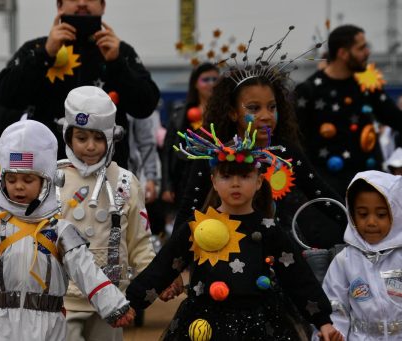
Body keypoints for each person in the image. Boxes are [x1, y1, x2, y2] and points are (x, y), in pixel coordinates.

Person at [126, 126, 343, 340]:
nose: (236, 184)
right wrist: (131, 303)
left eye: (245, 176)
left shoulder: (268, 229)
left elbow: (298, 277)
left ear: (259, 181)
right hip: (204, 326)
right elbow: (162, 267)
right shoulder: (196, 227)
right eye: (227, 176)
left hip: (259, 327)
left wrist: (323, 321)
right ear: (213, 181)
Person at [0, 119, 134, 340]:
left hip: (48, 328)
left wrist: (115, 305)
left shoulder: (61, 232)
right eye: (11, 179)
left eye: (28, 179)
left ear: (46, 182)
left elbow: (87, 273)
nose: (19, 186)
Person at [175, 51, 347, 250]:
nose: (266, 116)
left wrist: (359, 225)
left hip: (281, 254)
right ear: (232, 113)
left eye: (272, 107)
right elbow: (190, 208)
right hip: (226, 254)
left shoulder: (285, 151)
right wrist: (173, 267)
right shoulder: (217, 154)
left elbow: (322, 195)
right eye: (254, 108)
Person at [0, 0, 160, 168]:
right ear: (59, 6)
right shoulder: (37, 49)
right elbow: (5, 96)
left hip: (108, 174)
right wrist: (44, 55)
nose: (82, 3)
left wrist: (117, 64)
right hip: (47, 173)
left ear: (103, 6)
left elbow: (145, 106)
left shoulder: (119, 52)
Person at [57, 86, 155, 341]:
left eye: (99, 138)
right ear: (68, 137)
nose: (90, 147)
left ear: (112, 138)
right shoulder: (53, 181)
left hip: (111, 298)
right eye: (81, 138)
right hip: (63, 299)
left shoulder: (125, 181)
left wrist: (156, 278)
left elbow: (139, 241)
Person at [295, 24, 402, 196]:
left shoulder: (367, 84)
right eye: (361, 48)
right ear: (343, 53)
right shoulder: (308, 91)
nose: (367, 52)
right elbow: (296, 140)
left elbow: (396, 118)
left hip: (369, 185)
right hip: (327, 190)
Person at [322, 170, 402, 340]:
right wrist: (336, 334)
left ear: (396, 214)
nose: (371, 222)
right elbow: (336, 306)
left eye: (381, 214)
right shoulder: (344, 261)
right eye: (363, 214)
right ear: (352, 215)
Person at [161, 63, 219, 207]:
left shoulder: (227, 113)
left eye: (215, 79)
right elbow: (169, 150)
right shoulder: (180, 114)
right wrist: (167, 186)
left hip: (217, 175)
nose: (211, 83)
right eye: (206, 79)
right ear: (195, 84)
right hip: (186, 177)